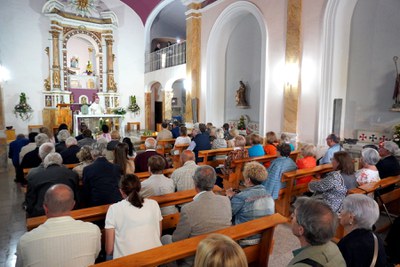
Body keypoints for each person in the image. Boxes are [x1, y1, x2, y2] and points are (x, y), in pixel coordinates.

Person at [161, 166, 232, 266]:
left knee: (165, 239)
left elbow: (177, 239)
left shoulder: (188, 209)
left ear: (195, 183)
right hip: (221, 252)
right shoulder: (225, 200)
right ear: (214, 182)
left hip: (197, 259)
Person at [16, 184, 101, 267]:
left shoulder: (25, 241)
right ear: (73, 205)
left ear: (45, 207)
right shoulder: (93, 230)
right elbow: (95, 255)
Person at [105, 174, 162, 259]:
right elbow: (158, 235)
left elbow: (109, 250)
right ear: (140, 188)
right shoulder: (153, 204)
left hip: (127, 262)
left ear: (121, 191)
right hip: (154, 257)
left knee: (108, 257)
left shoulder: (114, 209)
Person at [226, 162, 274, 245]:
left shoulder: (241, 197)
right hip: (264, 236)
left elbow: (228, 214)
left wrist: (229, 197)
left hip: (245, 238)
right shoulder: (269, 195)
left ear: (248, 180)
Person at [288, 197, 346, 266]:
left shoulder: (302, 265)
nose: (291, 216)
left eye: (294, 215)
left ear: (301, 230)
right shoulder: (334, 247)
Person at [338, 194, 387, 267]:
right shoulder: (375, 237)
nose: (340, 211)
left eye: (343, 209)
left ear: (351, 218)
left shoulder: (347, 245)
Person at [25, 153, 79, 217]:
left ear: (45, 163)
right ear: (61, 162)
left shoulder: (34, 176)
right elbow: (76, 195)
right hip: (68, 209)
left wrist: (30, 212)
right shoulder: (72, 174)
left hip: (42, 211)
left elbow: (30, 199)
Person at [82, 142, 122, 207]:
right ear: (104, 153)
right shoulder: (116, 167)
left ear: (92, 154)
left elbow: (86, 190)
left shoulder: (87, 169)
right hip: (115, 200)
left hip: (96, 202)